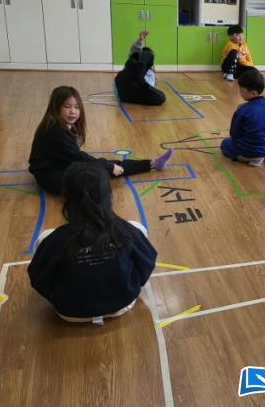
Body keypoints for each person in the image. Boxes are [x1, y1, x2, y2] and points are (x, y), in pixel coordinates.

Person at [28, 162, 157, 323]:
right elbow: (147, 262)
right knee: (139, 228)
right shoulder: (125, 230)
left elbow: (38, 278)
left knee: (44, 238)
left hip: (69, 311)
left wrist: (57, 295)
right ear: (108, 196)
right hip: (123, 304)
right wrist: (133, 283)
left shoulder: (58, 239)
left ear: (67, 198)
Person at [29, 86, 173, 195]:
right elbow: (78, 156)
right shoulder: (55, 130)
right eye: (67, 107)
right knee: (97, 174)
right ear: (55, 107)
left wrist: (108, 165)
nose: (73, 111)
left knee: (107, 166)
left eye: (76, 107)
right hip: (49, 174)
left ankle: (153, 163)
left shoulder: (64, 125)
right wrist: (107, 166)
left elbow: (76, 157)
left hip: (62, 164)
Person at [220, 69, 265, 167]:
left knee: (225, 143)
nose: (239, 92)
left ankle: (246, 158)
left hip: (245, 151)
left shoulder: (243, 109)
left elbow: (234, 133)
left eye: (241, 90)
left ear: (253, 93)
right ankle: (258, 158)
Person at [115, 30, 166, 106]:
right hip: (133, 90)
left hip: (125, 94)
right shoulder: (135, 64)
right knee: (161, 97)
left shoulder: (136, 66)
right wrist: (140, 40)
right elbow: (135, 52)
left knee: (160, 95)